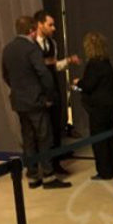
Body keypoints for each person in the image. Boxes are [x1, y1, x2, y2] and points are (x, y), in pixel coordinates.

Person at [1, 16, 71, 189]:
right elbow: (44, 73)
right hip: (36, 101)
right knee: (44, 136)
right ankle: (48, 175)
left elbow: (5, 74)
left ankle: (32, 175)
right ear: (31, 30)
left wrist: (18, 90)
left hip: (19, 101)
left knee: (28, 138)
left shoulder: (8, 49)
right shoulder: (31, 48)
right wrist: (48, 96)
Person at [33, 10, 81, 176]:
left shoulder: (52, 44)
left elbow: (54, 66)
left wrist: (67, 61)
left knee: (55, 127)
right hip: (39, 92)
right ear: (40, 24)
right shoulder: (31, 44)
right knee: (41, 131)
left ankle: (55, 163)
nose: (53, 28)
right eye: (50, 24)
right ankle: (42, 167)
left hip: (53, 89)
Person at [72, 32, 113, 180]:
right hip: (111, 103)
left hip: (99, 107)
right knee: (110, 137)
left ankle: (105, 171)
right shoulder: (106, 62)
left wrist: (77, 82)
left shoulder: (93, 65)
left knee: (99, 139)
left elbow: (88, 85)